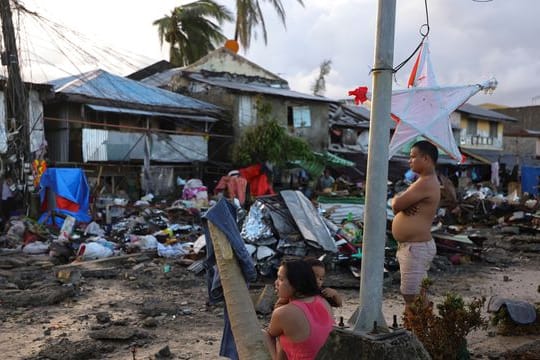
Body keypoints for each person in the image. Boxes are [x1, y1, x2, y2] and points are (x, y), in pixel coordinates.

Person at [391, 140, 440, 315]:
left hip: (416, 247)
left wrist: (399, 201)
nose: (409, 161)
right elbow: (398, 201)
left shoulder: (426, 182)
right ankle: (414, 329)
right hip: (412, 246)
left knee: (413, 294)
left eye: (413, 157)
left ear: (425, 158)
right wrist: (400, 201)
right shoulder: (422, 181)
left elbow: (396, 204)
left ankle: (421, 332)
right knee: (412, 294)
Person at [263, 259, 334, 360]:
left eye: (281, 279)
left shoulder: (284, 312)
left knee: (264, 335)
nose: (276, 282)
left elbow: (271, 334)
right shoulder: (323, 301)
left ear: (296, 283)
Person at [275, 258, 343, 309]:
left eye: (321, 278)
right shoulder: (293, 292)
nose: (318, 281)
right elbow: (278, 307)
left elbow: (338, 304)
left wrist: (335, 294)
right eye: (314, 276)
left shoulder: (322, 292)